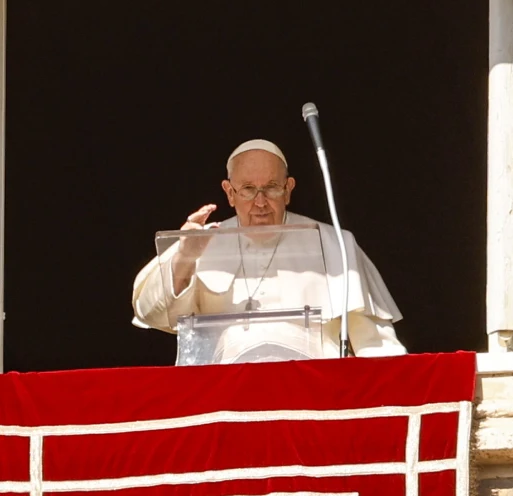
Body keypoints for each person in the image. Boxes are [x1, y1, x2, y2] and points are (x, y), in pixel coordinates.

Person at [132, 139, 406, 362]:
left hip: (314, 392)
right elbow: (150, 313)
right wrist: (185, 258)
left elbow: (375, 343)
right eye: (248, 189)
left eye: (271, 188)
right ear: (229, 192)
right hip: (224, 395)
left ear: (288, 189)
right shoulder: (202, 242)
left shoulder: (333, 243)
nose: (260, 202)